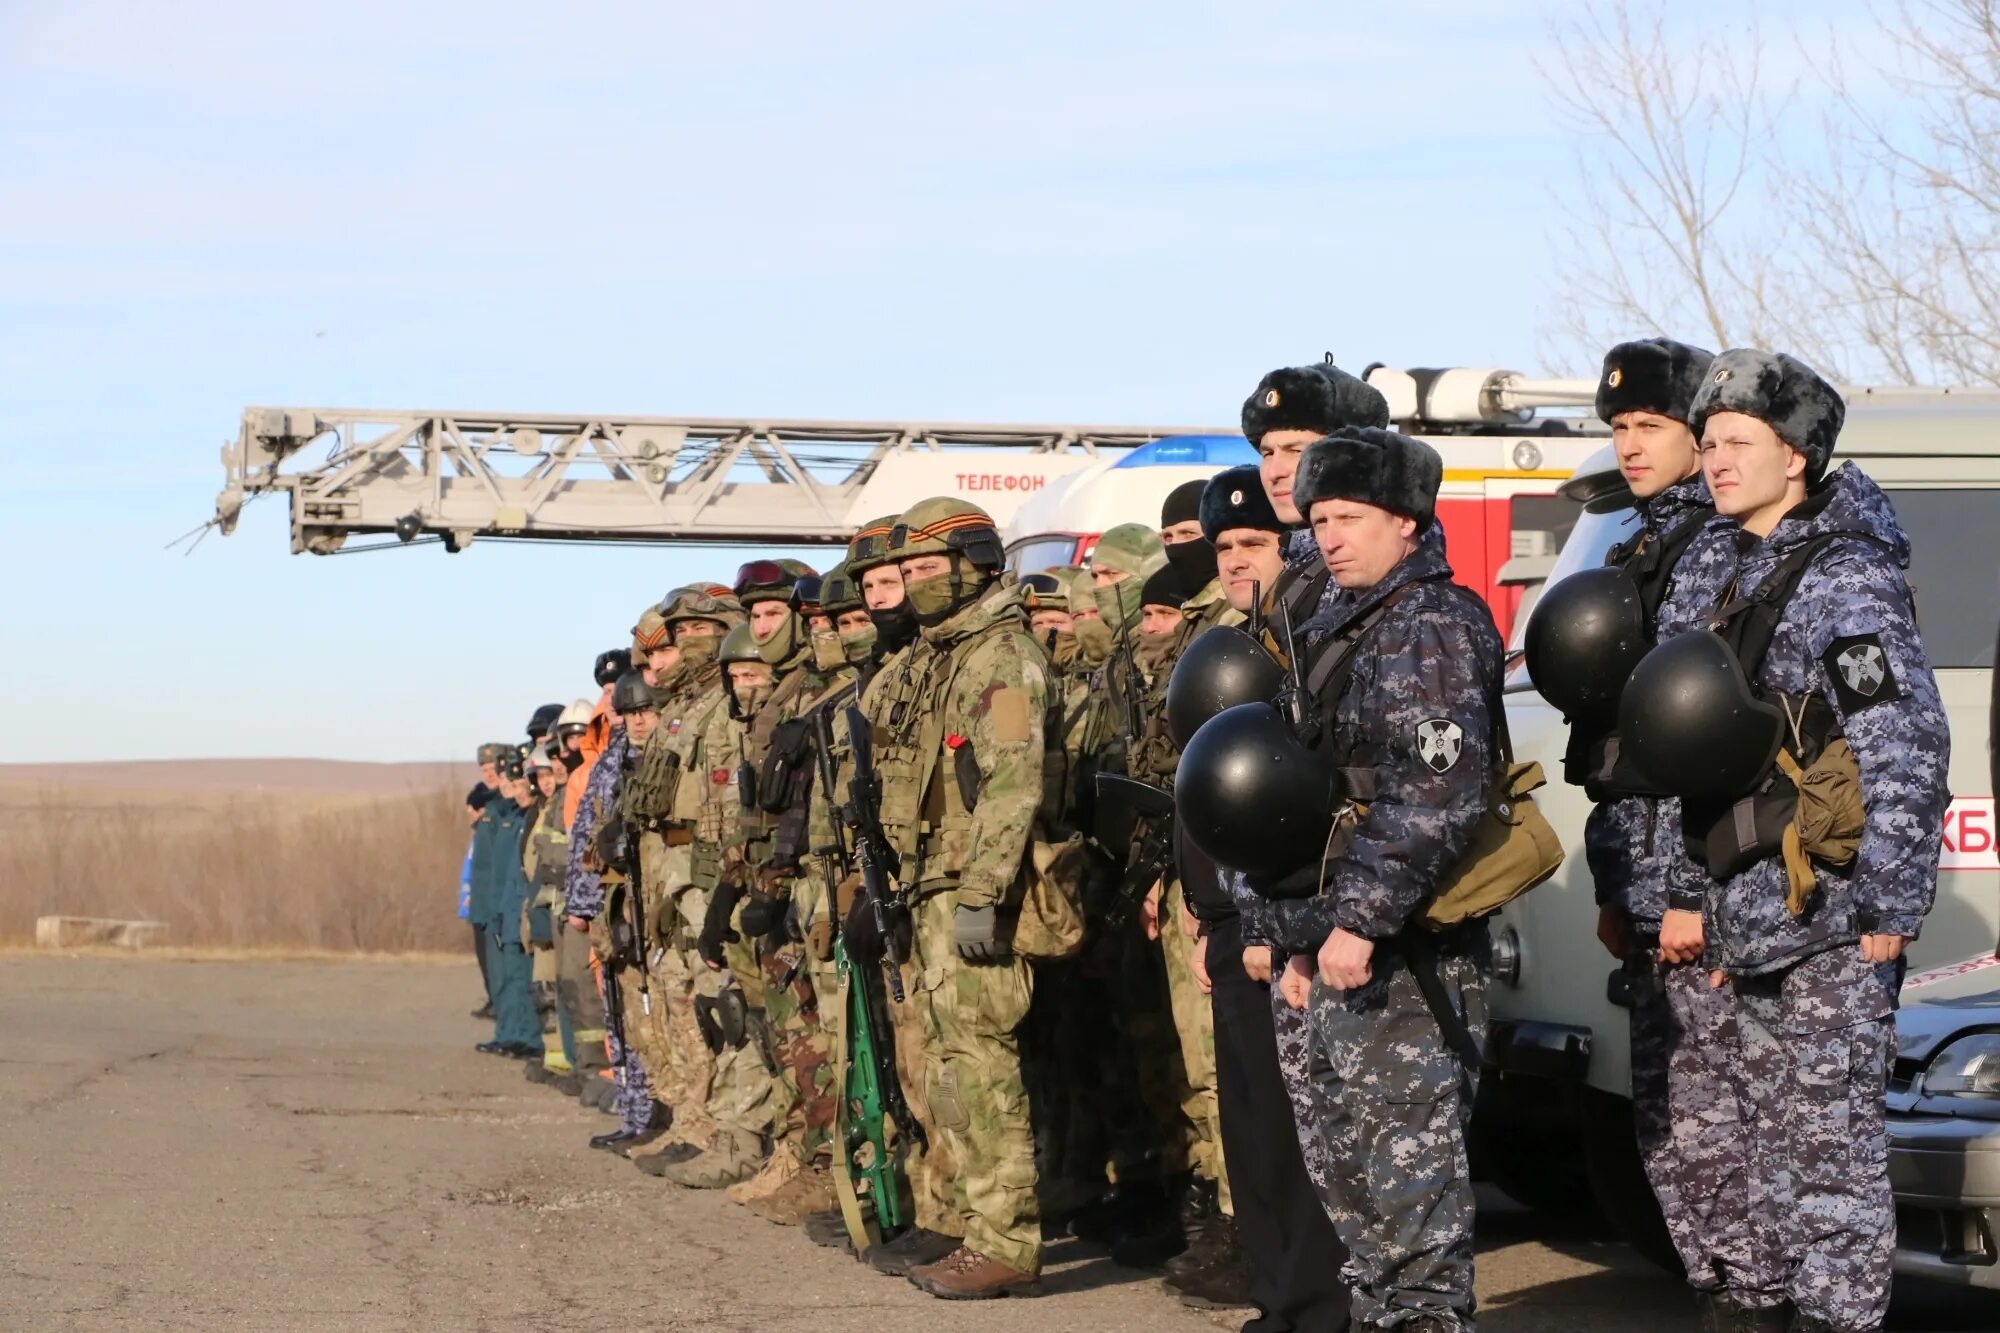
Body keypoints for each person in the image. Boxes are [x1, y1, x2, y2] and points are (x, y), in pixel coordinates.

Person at [1655, 351, 1948, 1333]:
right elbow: (1677, 745)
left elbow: (1897, 739)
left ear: (1798, 455)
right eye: (1704, 443)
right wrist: (1680, 890)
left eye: (1737, 442)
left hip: (1822, 913)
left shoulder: (1845, 576)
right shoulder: (1714, 559)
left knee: (1823, 1163)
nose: (1713, 460)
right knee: (1744, 1163)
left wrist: (1888, 905)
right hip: (1734, 911)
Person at [1245, 424, 1502, 1333]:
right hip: (1327, 945)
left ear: (1405, 520)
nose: (1331, 536)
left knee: (1411, 1205)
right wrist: (1283, 930)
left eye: (1349, 516)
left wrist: (1355, 922)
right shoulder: (1327, 623)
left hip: (1402, 955)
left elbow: (1438, 792)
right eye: (1318, 519)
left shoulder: (1429, 620)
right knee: (1357, 1203)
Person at [1546, 338, 1765, 1329]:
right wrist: (1610, 885)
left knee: (1717, 1128)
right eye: (1617, 427)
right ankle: (1720, 1297)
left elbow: (1704, 750)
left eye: (1648, 427)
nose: (1628, 444)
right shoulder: (1641, 547)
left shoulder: (1716, 550)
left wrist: (1685, 891)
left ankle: (1747, 1303)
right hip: (1644, 890)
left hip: (1704, 890)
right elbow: (1609, 748)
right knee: (1669, 1130)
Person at [1177, 463, 1349, 1330]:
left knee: (1295, 1134)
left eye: (1254, 542)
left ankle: (1313, 1304)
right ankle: (1277, 1298)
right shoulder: (1229, 641)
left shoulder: (1304, 640)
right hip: (1224, 916)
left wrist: (1258, 922)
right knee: (1249, 1129)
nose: (1237, 559)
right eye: (1225, 547)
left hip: (1277, 922)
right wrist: (1194, 903)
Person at [875, 497, 1049, 1299]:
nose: (912, 585)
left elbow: (1013, 781)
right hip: (931, 885)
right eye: (903, 572)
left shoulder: (1000, 656)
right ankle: (982, 1229)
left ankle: (1007, 1238)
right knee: (951, 1066)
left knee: (981, 1064)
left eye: (924, 569)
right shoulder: (939, 655)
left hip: (967, 887)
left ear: (973, 561)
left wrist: (982, 893)